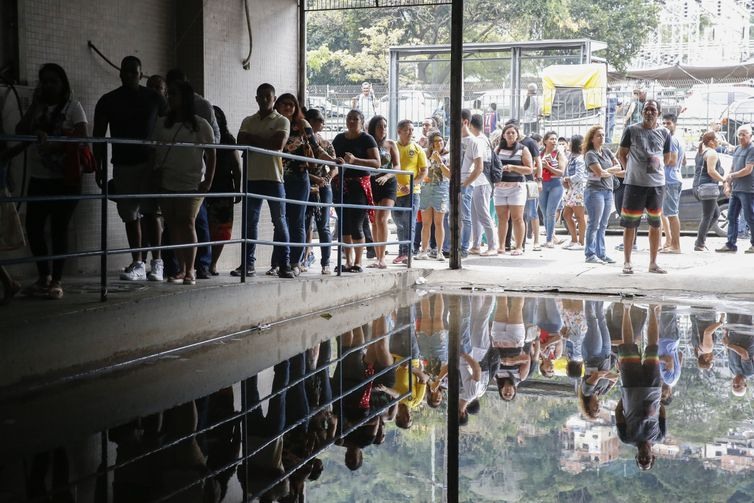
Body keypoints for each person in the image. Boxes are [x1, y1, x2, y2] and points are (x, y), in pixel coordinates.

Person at [16, 64, 88, 299]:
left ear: (62, 84)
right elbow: (20, 131)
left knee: (59, 229)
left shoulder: (73, 107)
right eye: (44, 81)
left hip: (65, 179)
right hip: (39, 177)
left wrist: (55, 143)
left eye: (53, 81)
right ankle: (43, 276)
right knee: (34, 228)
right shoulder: (37, 108)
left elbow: (82, 137)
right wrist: (35, 107)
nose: (48, 85)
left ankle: (57, 280)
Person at [93, 56, 165, 282]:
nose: (129, 75)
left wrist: (163, 163)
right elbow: (98, 135)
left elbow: (168, 127)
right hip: (122, 164)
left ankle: (157, 263)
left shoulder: (154, 97)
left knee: (150, 212)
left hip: (148, 163)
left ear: (141, 74)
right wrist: (99, 165)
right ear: (120, 73)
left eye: (134, 72)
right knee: (129, 216)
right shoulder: (109, 100)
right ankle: (138, 263)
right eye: (126, 71)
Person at [153, 80, 215, 285]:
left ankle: (191, 270)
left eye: (174, 94)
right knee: (173, 225)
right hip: (168, 180)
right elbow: (156, 150)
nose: (169, 97)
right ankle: (181, 268)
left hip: (192, 182)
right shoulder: (163, 123)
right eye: (169, 94)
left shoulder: (200, 124)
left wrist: (208, 180)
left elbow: (212, 152)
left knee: (187, 222)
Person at [236, 83, 294, 279]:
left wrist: (252, 140)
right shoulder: (248, 120)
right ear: (256, 98)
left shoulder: (282, 121)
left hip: (273, 178)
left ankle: (284, 264)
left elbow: (277, 145)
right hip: (252, 177)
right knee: (249, 222)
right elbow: (239, 142)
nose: (263, 100)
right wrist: (264, 142)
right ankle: (248, 264)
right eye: (260, 96)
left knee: (279, 221)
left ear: (273, 99)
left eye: (267, 97)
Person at [275, 93, 336, 275]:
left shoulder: (302, 125)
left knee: (298, 222)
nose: (288, 108)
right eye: (284, 104)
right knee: (280, 220)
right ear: (277, 105)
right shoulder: (274, 124)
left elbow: (317, 150)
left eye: (291, 105)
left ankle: (295, 262)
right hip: (278, 177)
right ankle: (280, 262)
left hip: (300, 178)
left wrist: (333, 160)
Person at [617, 99, 674, 274]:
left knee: (655, 224)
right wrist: (630, 170)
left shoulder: (664, 133)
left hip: (656, 185)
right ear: (642, 112)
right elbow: (622, 154)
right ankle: (627, 262)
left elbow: (668, 157)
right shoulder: (632, 130)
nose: (649, 112)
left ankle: (653, 263)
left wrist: (655, 167)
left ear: (658, 113)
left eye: (653, 110)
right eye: (646, 109)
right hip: (634, 184)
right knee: (630, 224)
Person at [615, 304, 665, 471]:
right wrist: (656, 403)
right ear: (653, 456)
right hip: (653, 387)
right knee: (653, 348)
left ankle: (626, 309)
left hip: (631, 386)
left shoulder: (626, 438)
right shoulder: (659, 436)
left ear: (636, 457)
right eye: (647, 459)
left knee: (628, 346)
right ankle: (652, 309)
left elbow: (618, 414)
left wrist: (626, 398)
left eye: (641, 459)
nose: (644, 457)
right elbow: (662, 413)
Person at [332, 110, 380, 273]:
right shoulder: (339, 138)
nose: (351, 121)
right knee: (344, 223)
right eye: (349, 118)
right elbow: (332, 158)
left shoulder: (367, 138)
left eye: (355, 119)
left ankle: (358, 262)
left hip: (359, 186)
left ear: (361, 121)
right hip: (341, 185)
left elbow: (376, 163)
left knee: (357, 224)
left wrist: (355, 161)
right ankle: (348, 261)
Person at [207, 105, 241, 275]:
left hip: (221, 187)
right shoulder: (203, 136)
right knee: (210, 228)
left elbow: (237, 167)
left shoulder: (227, 139)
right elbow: (237, 168)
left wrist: (238, 189)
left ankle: (211, 263)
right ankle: (208, 262)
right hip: (209, 187)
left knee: (220, 229)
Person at [304, 108, 338, 275]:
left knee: (323, 225)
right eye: (319, 121)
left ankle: (326, 262)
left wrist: (327, 179)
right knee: (304, 224)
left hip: (323, 188)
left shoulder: (325, 143)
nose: (322, 124)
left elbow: (335, 167)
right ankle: (304, 258)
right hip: (305, 185)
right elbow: (297, 167)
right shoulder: (301, 142)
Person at [583, 125, 621, 264]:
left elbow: (619, 167)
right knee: (594, 223)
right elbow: (600, 173)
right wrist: (610, 171)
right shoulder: (590, 154)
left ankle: (601, 253)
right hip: (595, 191)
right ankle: (590, 254)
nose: (602, 138)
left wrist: (607, 171)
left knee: (603, 224)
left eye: (603, 135)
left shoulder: (607, 152)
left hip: (608, 190)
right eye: (598, 135)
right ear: (592, 139)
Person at [493, 123, 533, 255]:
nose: (510, 135)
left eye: (513, 133)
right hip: (500, 187)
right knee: (502, 218)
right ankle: (502, 246)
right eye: (508, 132)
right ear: (503, 135)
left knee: (517, 218)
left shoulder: (523, 149)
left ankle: (519, 247)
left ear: (517, 135)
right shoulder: (498, 149)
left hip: (516, 187)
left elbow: (529, 169)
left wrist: (513, 167)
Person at [393, 119, 427, 264]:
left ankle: (407, 252)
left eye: (412, 130)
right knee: (399, 223)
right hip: (394, 192)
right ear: (399, 131)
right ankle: (402, 251)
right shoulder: (393, 147)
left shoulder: (418, 149)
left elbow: (424, 171)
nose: (410, 132)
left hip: (412, 192)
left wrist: (412, 184)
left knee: (409, 223)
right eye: (407, 130)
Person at [366, 115, 398, 269]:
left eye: (385, 126)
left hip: (388, 183)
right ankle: (377, 257)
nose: (383, 129)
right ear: (373, 128)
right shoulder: (368, 143)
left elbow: (397, 166)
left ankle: (383, 257)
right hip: (372, 182)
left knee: (382, 218)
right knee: (374, 220)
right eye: (379, 126)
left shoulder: (390, 144)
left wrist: (387, 176)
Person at [716, 124, 754, 254]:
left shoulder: (752, 149)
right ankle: (730, 244)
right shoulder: (737, 149)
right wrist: (727, 183)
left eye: (744, 134)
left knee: (750, 217)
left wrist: (733, 176)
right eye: (739, 134)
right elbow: (732, 168)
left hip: (748, 190)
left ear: (750, 136)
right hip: (736, 190)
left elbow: (748, 170)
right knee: (731, 216)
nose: (741, 137)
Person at [578, 300, 618, 420]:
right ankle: (600, 299)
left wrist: (605, 376)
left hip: (592, 355)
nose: (598, 407)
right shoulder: (602, 392)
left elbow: (597, 375)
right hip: (605, 355)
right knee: (602, 320)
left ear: (587, 406)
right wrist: (608, 376)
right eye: (599, 410)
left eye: (594, 409)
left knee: (593, 322)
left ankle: (590, 299)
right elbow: (615, 379)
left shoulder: (586, 391)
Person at [416, 131, 449, 261]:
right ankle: (424, 250)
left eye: (440, 140)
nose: (438, 143)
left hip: (441, 189)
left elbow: (449, 174)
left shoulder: (447, 155)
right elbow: (420, 170)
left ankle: (440, 251)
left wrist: (440, 162)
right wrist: (423, 178)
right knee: (426, 222)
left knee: (439, 222)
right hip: (426, 189)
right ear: (431, 143)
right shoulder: (424, 154)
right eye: (435, 141)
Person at [468, 114, 497, 255]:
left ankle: (492, 246)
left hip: (482, 181)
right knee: (475, 215)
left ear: (470, 125)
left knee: (483, 214)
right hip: (478, 181)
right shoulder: (484, 139)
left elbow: (478, 163)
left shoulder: (478, 140)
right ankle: (476, 245)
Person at [492, 296, 530, 401]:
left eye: (505, 394)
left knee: (501, 305)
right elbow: (527, 358)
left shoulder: (495, 377)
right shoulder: (520, 377)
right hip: (515, 341)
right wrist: (512, 361)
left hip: (498, 340)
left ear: (501, 391)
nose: (508, 392)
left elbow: (490, 360)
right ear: (514, 391)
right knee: (517, 307)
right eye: (510, 394)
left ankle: (502, 286)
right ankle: (519, 287)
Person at [693, 131, 725, 251]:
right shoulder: (711, 153)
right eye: (717, 139)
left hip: (698, 186)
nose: (718, 141)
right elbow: (711, 171)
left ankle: (700, 240)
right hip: (707, 188)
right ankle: (699, 243)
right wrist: (724, 180)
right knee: (707, 216)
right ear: (711, 141)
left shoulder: (701, 151)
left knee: (715, 214)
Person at [660, 114, 684, 254]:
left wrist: (655, 162)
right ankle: (670, 243)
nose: (665, 125)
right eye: (663, 123)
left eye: (668, 123)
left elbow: (672, 160)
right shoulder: (676, 139)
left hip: (671, 180)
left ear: (674, 124)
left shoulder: (673, 140)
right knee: (668, 213)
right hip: (672, 178)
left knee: (672, 214)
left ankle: (676, 245)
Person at [539, 131, 566, 248]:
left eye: (555, 139)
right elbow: (534, 170)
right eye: (551, 139)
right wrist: (540, 165)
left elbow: (561, 172)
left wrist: (547, 166)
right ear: (545, 141)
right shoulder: (540, 154)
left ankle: (549, 239)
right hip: (542, 184)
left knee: (551, 212)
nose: (554, 141)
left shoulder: (559, 154)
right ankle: (551, 237)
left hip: (556, 184)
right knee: (544, 213)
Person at [562, 135, 587, 250]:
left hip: (579, 190)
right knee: (566, 215)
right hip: (572, 190)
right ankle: (574, 239)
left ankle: (581, 242)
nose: (568, 144)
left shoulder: (580, 159)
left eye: (570, 142)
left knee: (579, 216)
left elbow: (579, 176)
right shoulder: (572, 157)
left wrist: (567, 179)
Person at [723, 313, 754, 397]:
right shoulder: (748, 372)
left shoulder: (733, 371)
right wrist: (728, 345)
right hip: (744, 334)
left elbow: (730, 352)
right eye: (738, 386)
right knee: (744, 309)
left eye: (734, 386)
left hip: (733, 334)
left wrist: (725, 334)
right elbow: (744, 353)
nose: (735, 384)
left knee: (730, 308)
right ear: (745, 385)